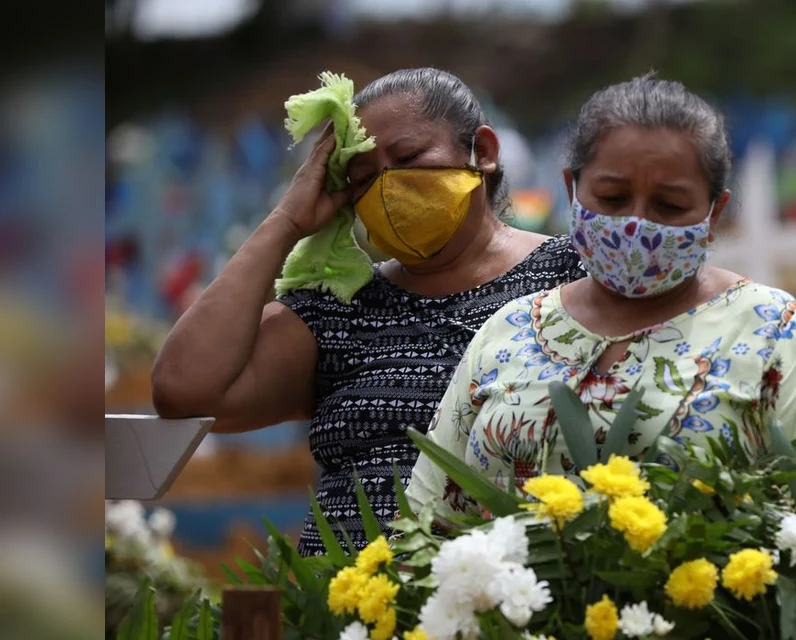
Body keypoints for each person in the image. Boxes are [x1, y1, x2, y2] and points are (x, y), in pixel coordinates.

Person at [406, 74, 796, 520]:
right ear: (572, 189)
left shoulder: (772, 332)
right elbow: (428, 520)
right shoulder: (509, 332)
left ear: (714, 212)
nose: (636, 223)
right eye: (613, 199)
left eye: (670, 205)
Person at [151, 68, 586, 555]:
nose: (387, 186)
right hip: (346, 610)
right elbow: (183, 390)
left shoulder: (573, 276)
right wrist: (286, 221)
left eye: (408, 158)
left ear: (482, 152)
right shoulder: (338, 312)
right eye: (362, 178)